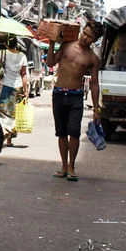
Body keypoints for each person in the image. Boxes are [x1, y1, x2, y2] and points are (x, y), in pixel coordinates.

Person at [47, 20, 103, 182]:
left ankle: (72, 167)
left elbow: (94, 84)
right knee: (61, 133)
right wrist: (52, 44)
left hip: (76, 97)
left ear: (95, 40)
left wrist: (95, 109)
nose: (85, 37)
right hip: (58, 94)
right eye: (84, 33)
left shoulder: (93, 58)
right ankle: (64, 166)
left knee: (75, 133)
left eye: (90, 36)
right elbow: (50, 63)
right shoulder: (66, 45)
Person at [0, 34, 28, 146]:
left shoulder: (2, 53)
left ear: (6, 43)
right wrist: (26, 91)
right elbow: (24, 75)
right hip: (17, 87)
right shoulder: (22, 56)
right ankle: (9, 140)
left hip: (3, 85)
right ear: (16, 43)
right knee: (12, 113)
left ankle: (1, 132)